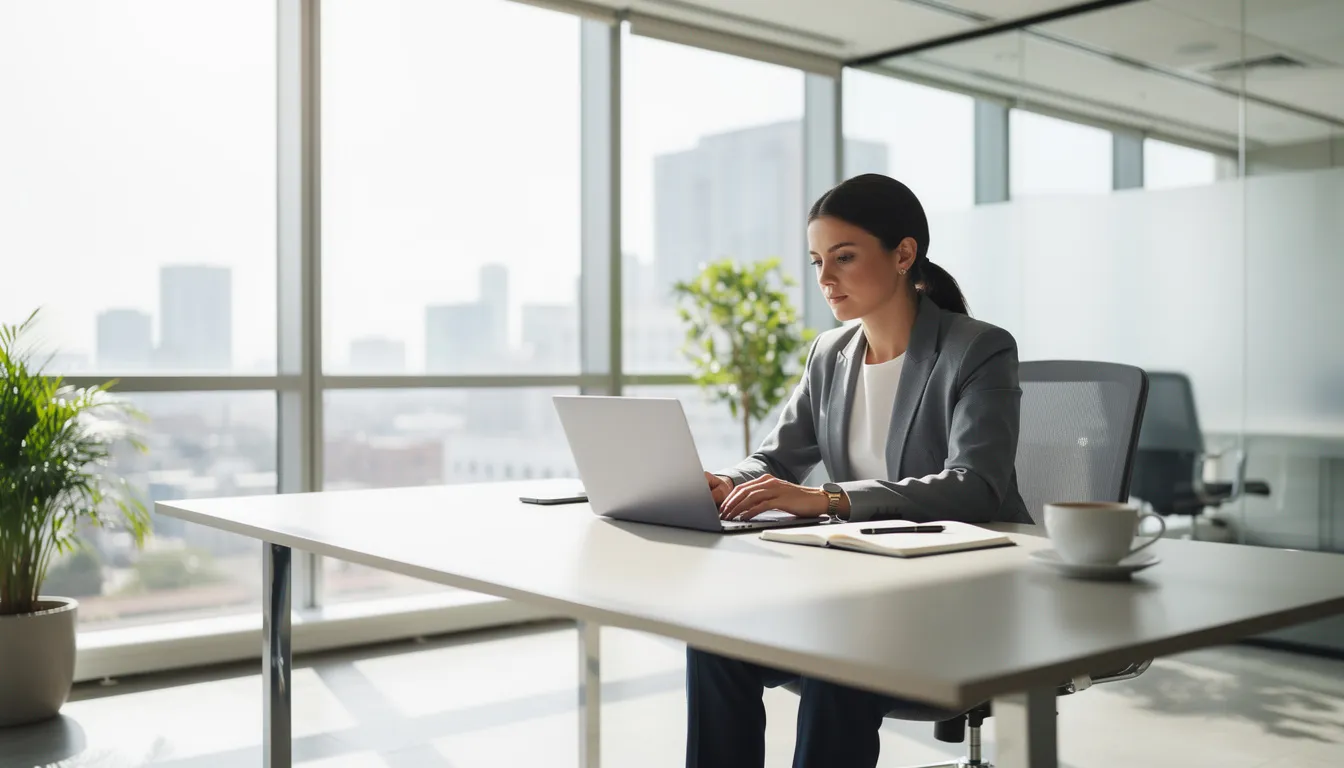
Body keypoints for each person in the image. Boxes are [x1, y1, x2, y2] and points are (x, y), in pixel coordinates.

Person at [686, 173, 1032, 768]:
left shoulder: (978, 349)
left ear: (903, 253)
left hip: (958, 593)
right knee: (715, 644)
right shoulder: (830, 352)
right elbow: (773, 458)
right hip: (858, 593)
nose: (825, 279)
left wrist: (826, 499)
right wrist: (727, 481)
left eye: (844, 258)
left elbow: (975, 487)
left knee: (838, 661)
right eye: (818, 260)